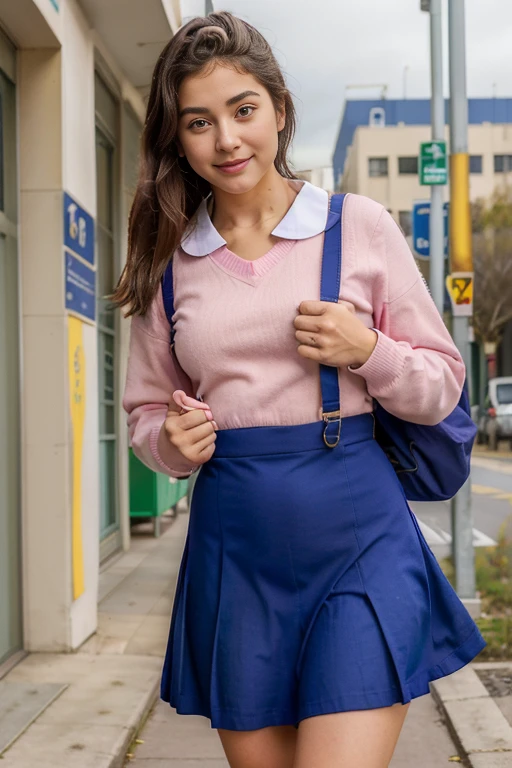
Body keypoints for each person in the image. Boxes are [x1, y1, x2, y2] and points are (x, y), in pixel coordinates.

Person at [114, 11, 486, 768]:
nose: (227, 140)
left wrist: (370, 350)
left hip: (359, 541)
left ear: (279, 110)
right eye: (199, 122)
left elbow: (443, 384)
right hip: (234, 550)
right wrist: (168, 442)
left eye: (243, 110)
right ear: (177, 138)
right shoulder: (172, 264)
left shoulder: (360, 228)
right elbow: (147, 415)